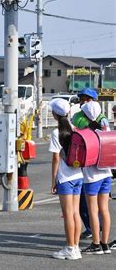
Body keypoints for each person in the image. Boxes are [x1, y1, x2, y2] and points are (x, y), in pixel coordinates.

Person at [49, 98, 83, 260]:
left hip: (65, 177)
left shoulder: (56, 133)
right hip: (78, 175)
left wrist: (54, 180)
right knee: (75, 212)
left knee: (68, 214)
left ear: (55, 114)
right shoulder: (75, 129)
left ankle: (70, 248)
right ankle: (75, 247)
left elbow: (56, 159)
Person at [78, 101, 113, 255]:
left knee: (93, 210)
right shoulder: (106, 129)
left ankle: (96, 244)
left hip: (92, 176)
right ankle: (105, 244)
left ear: (85, 115)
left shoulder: (85, 132)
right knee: (104, 209)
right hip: (106, 173)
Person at [72, 88, 100, 240]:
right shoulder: (77, 116)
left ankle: (95, 231)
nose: (84, 101)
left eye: (87, 99)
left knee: (91, 202)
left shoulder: (101, 118)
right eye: (82, 98)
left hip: (95, 166)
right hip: (82, 163)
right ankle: (92, 228)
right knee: (85, 202)